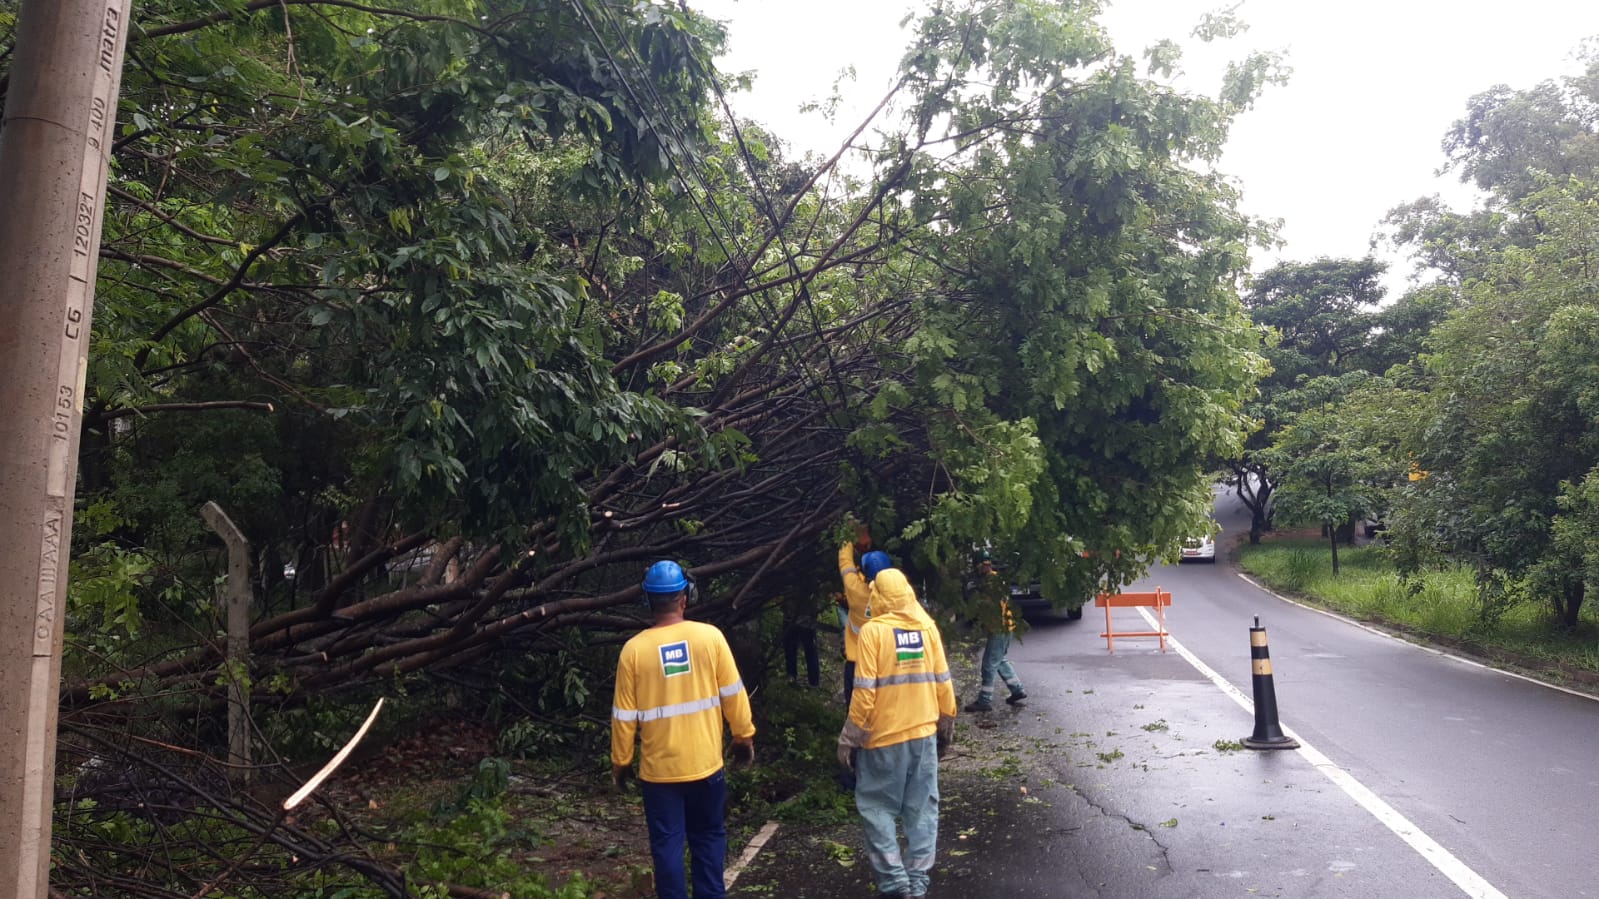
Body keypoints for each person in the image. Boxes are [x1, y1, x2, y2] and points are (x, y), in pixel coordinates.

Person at [612, 561, 755, 899]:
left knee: (667, 847)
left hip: (659, 775)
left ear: (647, 600)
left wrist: (621, 762)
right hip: (706, 766)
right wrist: (742, 737)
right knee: (708, 838)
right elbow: (734, 694)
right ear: (685, 597)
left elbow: (623, 717)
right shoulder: (710, 638)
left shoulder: (633, 651)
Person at [837, 561, 957, 899]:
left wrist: (849, 738)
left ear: (878, 595)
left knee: (878, 811)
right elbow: (943, 681)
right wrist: (946, 722)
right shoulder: (927, 627)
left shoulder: (873, 631)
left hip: (882, 741)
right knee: (922, 811)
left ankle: (895, 885)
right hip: (922, 737)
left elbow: (864, 693)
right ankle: (917, 883)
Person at [964, 551, 1027, 712]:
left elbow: (986, 605)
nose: (982, 567)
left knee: (988, 664)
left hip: (1000, 627)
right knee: (999, 660)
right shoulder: (994, 579)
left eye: (983, 565)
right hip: (1003, 626)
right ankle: (1017, 690)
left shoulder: (990, 583)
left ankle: (984, 701)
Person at [836, 522, 875, 706]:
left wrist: (848, 534)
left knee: (854, 710)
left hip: (856, 664)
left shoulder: (856, 592)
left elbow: (845, 562)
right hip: (881, 664)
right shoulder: (895, 599)